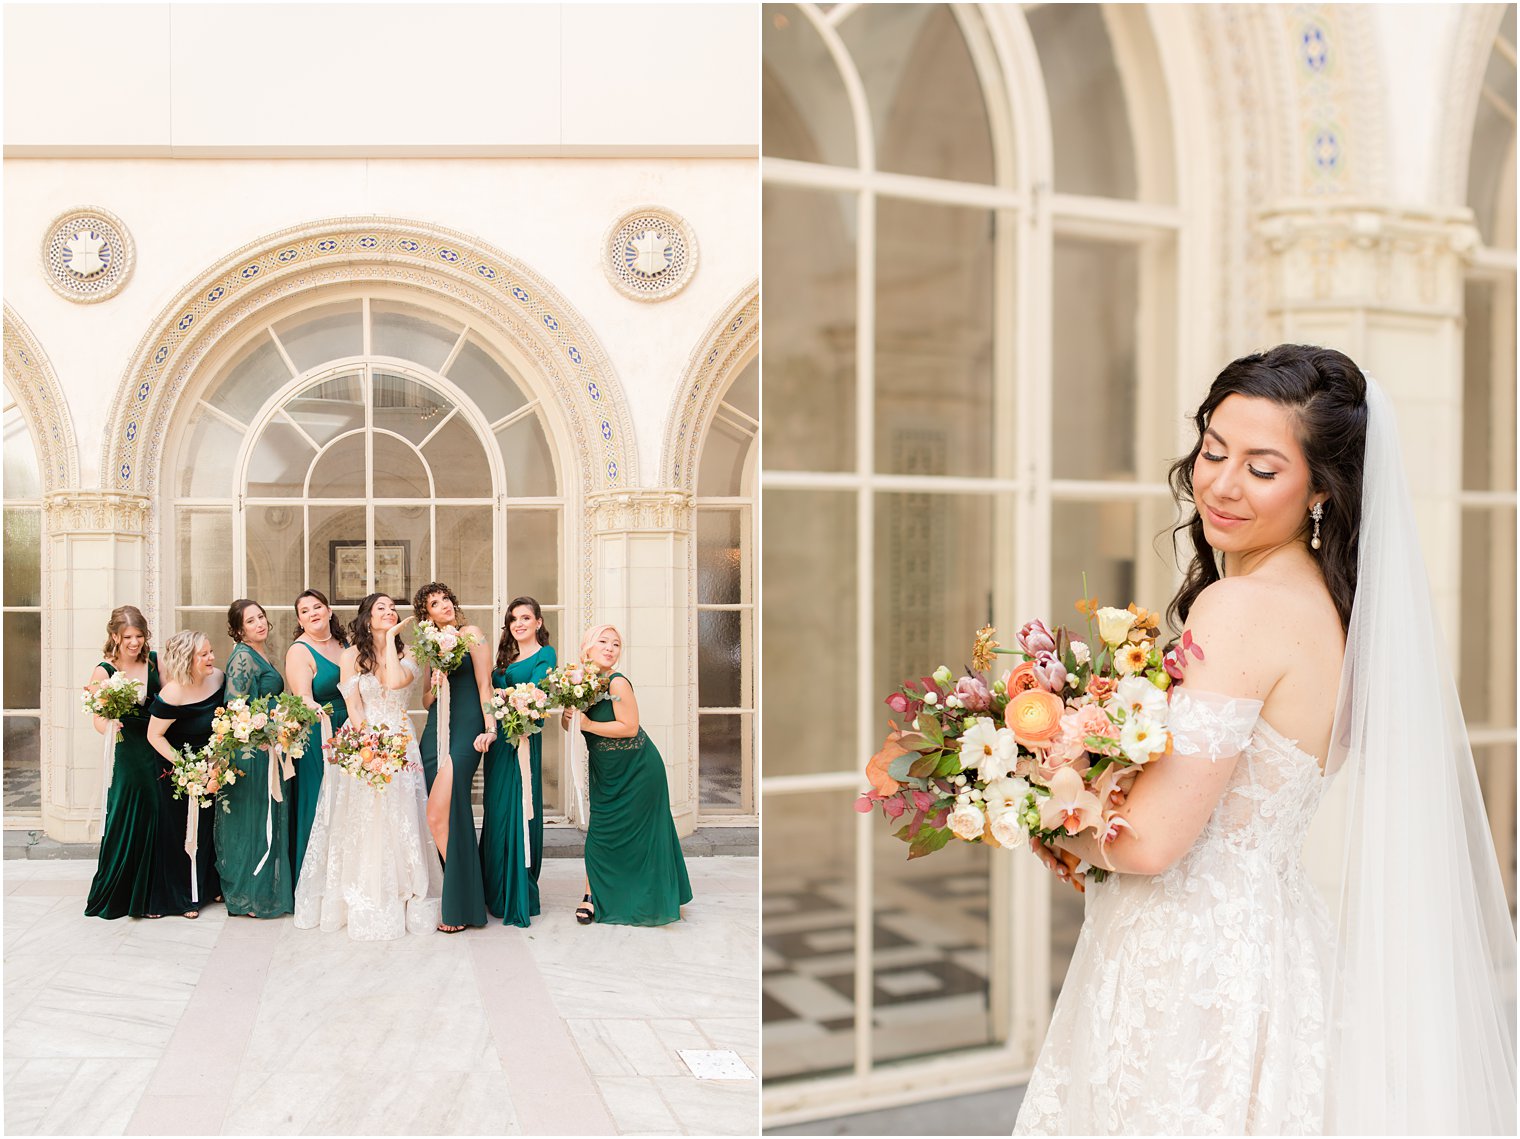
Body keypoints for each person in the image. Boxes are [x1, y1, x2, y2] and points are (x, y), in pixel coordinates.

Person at [1015, 345, 1516, 1134]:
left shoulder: (1241, 608)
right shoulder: (1336, 608)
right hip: (1275, 945)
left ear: (1322, 486)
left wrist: (1025, 804)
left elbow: (1150, 845)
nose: (1220, 483)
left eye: (1261, 466)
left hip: (1190, 966)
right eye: (1214, 451)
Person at [294, 593, 442, 940]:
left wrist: (390, 640)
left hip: (401, 739)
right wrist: (368, 747)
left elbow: (393, 683)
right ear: (366, 617)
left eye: (393, 608)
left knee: (402, 814)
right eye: (381, 608)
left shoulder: (408, 653)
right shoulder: (349, 656)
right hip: (364, 740)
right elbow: (354, 705)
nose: (390, 612)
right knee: (364, 817)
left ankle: (408, 891)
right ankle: (360, 889)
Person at [561, 625, 691, 926]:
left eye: (616, 644)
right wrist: (570, 720)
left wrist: (589, 725)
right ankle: (592, 895)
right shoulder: (575, 684)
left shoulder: (617, 683)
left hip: (639, 770)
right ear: (587, 648)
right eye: (603, 642)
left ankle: (638, 897)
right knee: (602, 833)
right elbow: (572, 728)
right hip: (606, 771)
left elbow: (629, 727)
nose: (610, 648)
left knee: (643, 836)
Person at [415, 581, 493, 933]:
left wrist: (490, 727)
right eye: (435, 603)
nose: (444, 604)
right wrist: (436, 679)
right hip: (436, 728)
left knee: (439, 810)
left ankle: (460, 900)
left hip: (466, 726)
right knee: (443, 812)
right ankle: (465, 895)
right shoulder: (429, 647)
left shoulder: (471, 633)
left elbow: (484, 685)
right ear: (426, 615)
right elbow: (426, 701)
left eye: (446, 598)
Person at [84, 606, 163, 919]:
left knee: (160, 812)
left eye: (139, 635)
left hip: (159, 744)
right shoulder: (104, 671)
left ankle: (153, 893)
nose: (134, 642)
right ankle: (122, 893)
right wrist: (109, 726)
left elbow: (172, 696)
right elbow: (97, 718)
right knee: (129, 812)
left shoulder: (155, 661)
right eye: (128, 636)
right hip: (128, 749)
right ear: (115, 636)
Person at [215, 599, 292, 918]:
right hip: (252, 752)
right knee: (251, 822)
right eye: (251, 621)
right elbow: (236, 708)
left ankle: (260, 889)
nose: (260, 623)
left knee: (264, 821)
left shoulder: (259, 653)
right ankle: (247, 896)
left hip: (267, 747)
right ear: (239, 629)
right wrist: (265, 735)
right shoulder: (243, 658)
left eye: (261, 617)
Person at [481, 597, 556, 926]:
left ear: (538, 622)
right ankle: (494, 889)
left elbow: (538, 692)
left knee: (520, 809)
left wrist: (500, 696)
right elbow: (486, 693)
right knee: (497, 810)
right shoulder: (504, 657)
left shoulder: (546, 655)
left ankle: (517, 890)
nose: (519, 623)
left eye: (526, 617)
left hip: (523, 741)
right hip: (499, 742)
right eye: (513, 619)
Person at [145, 629, 225, 916]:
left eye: (210, 652)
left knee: (207, 826)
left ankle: (205, 886)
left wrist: (213, 762)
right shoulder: (174, 692)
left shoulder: (218, 678)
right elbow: (154, 736)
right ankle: (177, 897)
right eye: (203, 654)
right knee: (178, 829)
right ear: (186, 659)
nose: (211, 658)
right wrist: (187, 768)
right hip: (175, 766)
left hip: (210, 762)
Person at [284, 589, 349, 880]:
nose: (313, 613)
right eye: (306, 611)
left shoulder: (344, 643)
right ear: (300, 619)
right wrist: (318, 712)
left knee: (347, 803)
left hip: (352, 729)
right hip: (320, 734)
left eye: (318, 606)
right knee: (321, 801)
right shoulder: (300, 650)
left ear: (329, 610)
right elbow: (302, 699)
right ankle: (315, 881)